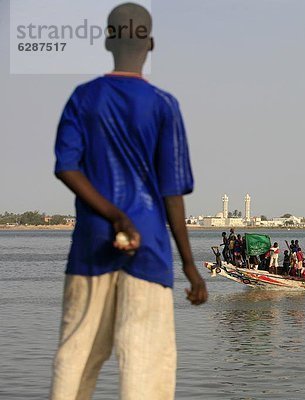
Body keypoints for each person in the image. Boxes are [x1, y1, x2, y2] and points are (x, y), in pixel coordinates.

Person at [51, 4, 208, 399]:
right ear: (150, 44)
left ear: (107, 41)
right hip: (151, 249)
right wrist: (190, 266)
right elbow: (171, 194)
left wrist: (114, 215)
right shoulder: (163, 105)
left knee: (76, 360)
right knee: (146, 368)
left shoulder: (83, 98)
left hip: (92, 245)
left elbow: (66, 167)